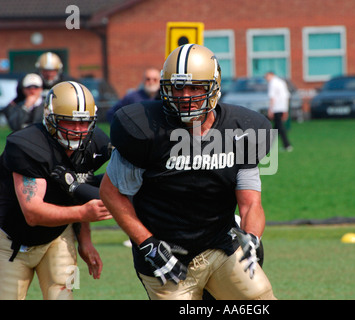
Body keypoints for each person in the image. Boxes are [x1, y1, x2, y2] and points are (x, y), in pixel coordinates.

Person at [99, 44, 276, 300]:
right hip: (165, 255)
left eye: (195, 87)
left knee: (260, 299)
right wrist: (147, 243)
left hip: (220, 247)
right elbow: (110, 192)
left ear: (213, 87)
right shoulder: (145, 130)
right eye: (178, 87)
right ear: (165, 88)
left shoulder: (242, 130)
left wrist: (252, 237)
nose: (185, 96)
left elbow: (250, 204)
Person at [0, 81, 113, 300]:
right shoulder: (27, 145)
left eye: (84, 123)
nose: (79, 131)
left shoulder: (97, 143)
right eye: (69, 123)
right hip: (9, 239)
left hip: (58, 236)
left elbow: (81, 191)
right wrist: (83, 214)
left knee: (64, 296)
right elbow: (32, 213)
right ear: (51, 119)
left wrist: (85, 240)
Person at [264, 71, 292, 152]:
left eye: (267, 76)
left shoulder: (272, 83)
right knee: (276, 128)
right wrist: (286, 110)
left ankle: (287, 145)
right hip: (282, 107)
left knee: (278, 127)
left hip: (276, 108)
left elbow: (272, 97)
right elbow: (286, 96)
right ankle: (273, 146)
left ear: (271, 75)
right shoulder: (281, 82)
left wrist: (270, 109)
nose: (266, 79)